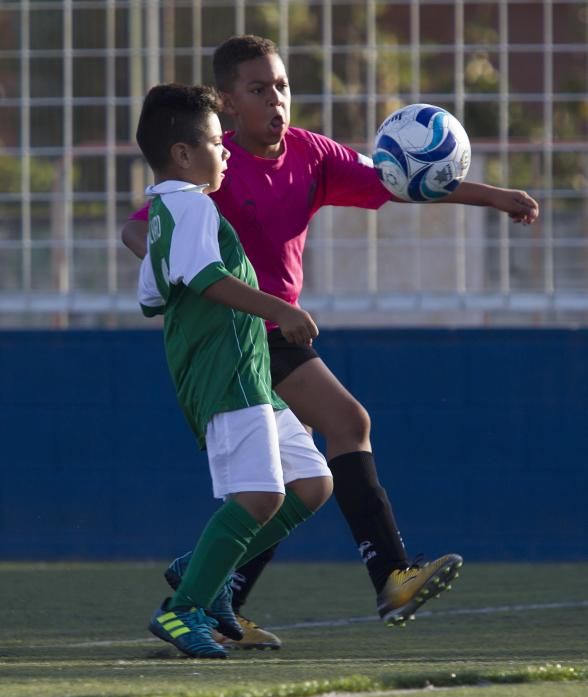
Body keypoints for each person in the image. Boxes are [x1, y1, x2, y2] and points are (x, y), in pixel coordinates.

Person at [123, 35, 540, 650]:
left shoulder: (310, 156)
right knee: (345, 424)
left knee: (303, 483)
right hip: (249, 335)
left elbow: (401, 180)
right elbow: (143, 233)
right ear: (230, 105)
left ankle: (216, 592)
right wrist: (182, 278)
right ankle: (391, 577)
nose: (276, 100)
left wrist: (493, 195)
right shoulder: (208, 167)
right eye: (258, 89)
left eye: (282, 86)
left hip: (276, 331)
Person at [135, 81, 333, 659]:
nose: (226, 152)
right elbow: (204, 281)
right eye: (218, 143)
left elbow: (152, 295)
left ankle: (203, 571)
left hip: (250, 374)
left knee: (313, 484)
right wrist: (280, 309)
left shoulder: (167, 211)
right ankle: (182, 610)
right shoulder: (192, 203)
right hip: (228, 376)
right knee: (259, 496)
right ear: (183, 154)